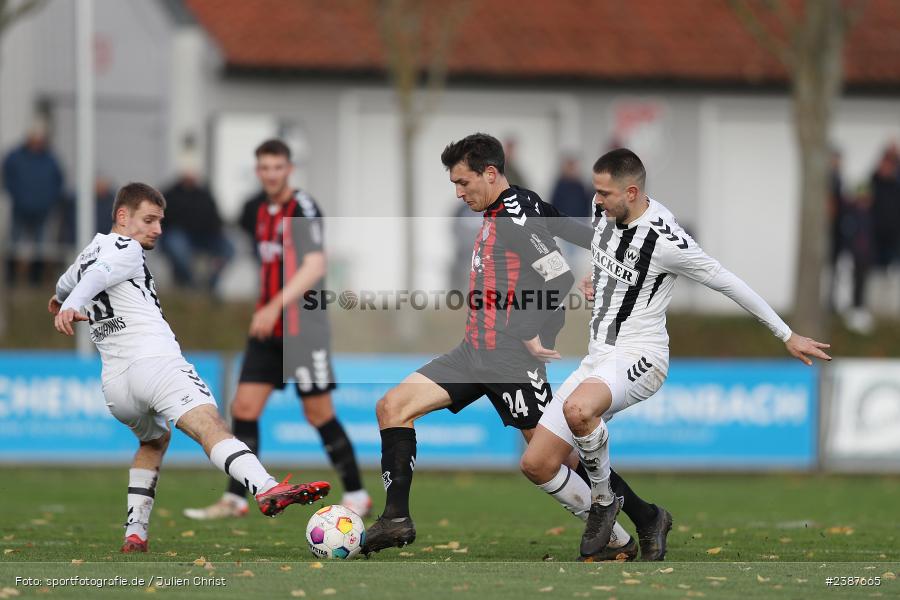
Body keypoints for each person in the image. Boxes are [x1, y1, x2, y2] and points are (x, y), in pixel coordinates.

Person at [521, 148, 832, 561]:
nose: (595, 200)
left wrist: (785, 333)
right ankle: (647, 519)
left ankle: (602, 502)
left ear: (631, 192)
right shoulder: (605, 215)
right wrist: (593, 280)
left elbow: (725, 280)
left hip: (642, 355)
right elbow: (606, 259)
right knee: (537, 463)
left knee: (580, 411)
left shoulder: (666, 239)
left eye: (603, 193)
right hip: (599, 357)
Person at [362, 133, 658, 560]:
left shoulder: (515, 218)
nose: (460, 193)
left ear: (490, 173)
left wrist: (527, 328)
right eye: (454, 185)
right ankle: (395, 519)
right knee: (393, 407)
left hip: (510, 361)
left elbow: (557, 276)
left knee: (557, 459)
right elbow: (578, 231)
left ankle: (643, 522)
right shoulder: (517, 204)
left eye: (464, 183)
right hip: (471, 353)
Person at [48, 182, 330, 553]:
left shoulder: (87, 253)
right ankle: (265, 487)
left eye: (160, 221)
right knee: (209, 426)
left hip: (116, 386)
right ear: (122, 216)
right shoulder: (125, 248)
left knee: (153, 441)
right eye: (149, 220)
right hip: (156, 364)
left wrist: (59, 300)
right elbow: (98, 277)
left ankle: (136, 531)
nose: (158, 230)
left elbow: (67, 283)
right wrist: (72, 305)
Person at [184, 139, 371, 520]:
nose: (271, 174)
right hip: (268, 330)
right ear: (258, 172)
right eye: (264, 168)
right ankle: (236, 498)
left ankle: (357, 493)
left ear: (289, 169)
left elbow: (314, 265)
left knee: (319, 414)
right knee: (243, 407)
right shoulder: (259, 211)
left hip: (303, 329)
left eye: (277, 167)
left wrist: (272, 305)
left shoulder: (301, 207)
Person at [3, 119, 64, 286]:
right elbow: (7, 178)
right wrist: (18, 196)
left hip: (42, 211)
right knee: (15, 243)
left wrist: (49, 201)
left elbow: (58, 182)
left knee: (41, 246)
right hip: (20, 209)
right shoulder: (15, 157)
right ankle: (12, 279)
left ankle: (36, 279)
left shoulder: (50, 159)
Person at [159, 169, 234, 293]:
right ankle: (192, 282)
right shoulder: (169, 195)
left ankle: (211, 282)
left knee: (229, 248)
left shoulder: (205, 194)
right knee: (176, 245)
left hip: (206, 237)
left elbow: (215, 219)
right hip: (179, 236)